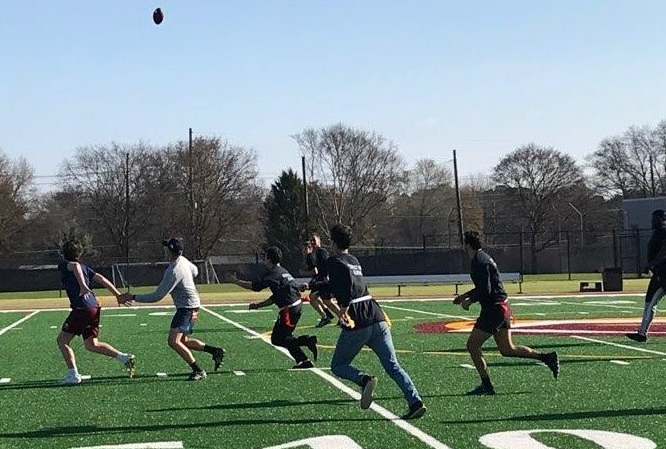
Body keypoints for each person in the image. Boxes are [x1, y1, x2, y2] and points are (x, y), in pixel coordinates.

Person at [325, 224, 426, 420]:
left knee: (338, 365)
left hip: (358, 317)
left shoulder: (334, 260)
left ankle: (364, 380)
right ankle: (415, 401)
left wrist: (342, 311)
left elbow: (344, 289)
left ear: (334, 242)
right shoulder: (353, 260)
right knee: (393, 365)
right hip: (376, 314)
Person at [453, 231, 559, 395]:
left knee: (472, 345)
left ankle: (486, 385)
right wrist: (464, 296)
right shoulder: (483, 258)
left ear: (467, 245)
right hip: (501, 307)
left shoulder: (479, 261)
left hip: (494, 310)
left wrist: (469, 301)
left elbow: (485, 289)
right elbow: (485, 286)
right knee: (507, 349)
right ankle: (546, 357)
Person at [119, 238, 225, 381]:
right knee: (184, 341)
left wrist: (133, 297)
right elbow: (195, 271)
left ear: (170, 251)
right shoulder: (184, 261)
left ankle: (198, 370)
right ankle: (215, 351)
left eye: (166, 248)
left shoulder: (173, 270)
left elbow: (157, 296)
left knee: (173, 341)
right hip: (192, 305)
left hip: (186, 308)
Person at [57, 240, 136, 385]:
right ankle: (124, 357)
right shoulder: (85, 267)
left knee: (62, 340)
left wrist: (82, 286)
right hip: (93, 308)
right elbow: (102, 279)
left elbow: (74, 266)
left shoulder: (66, 265)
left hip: (82, 308)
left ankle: (73, 374)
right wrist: (117, 295)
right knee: (91, 344)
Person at [228, 246, 318, 369]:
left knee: (278, 339)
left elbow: (255, 286)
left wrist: (236, 281)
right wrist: (258, 305)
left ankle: (306, 343)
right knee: (283, 337)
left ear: (269, 259)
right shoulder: (283, 271)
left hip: (289, 309)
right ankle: (303, 358)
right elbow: (276, 296)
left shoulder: (273, 273)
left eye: (265, 257)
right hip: (295, 306)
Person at [627, 209, 666, 342]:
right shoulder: (657, 233)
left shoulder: (664, 232)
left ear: (662, 219)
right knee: (649, 302)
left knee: (651, 303)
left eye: (655, 219)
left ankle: (642, 333)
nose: (652, 222)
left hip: (663, 275)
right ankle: (642, 332)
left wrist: (651, 264)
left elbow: (664, 251)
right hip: (658, 274)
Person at [300, 234, 336, 327]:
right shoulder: (315, 253)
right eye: (311, 240)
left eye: (314, 240)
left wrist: (304, 273)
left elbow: (319, 270)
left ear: (319, 241)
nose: (312, 242)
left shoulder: (321, 252)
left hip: (323, 280)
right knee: (324, 300)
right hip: (321, 280)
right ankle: (330, 315)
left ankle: (327, 316)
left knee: (317, 298)